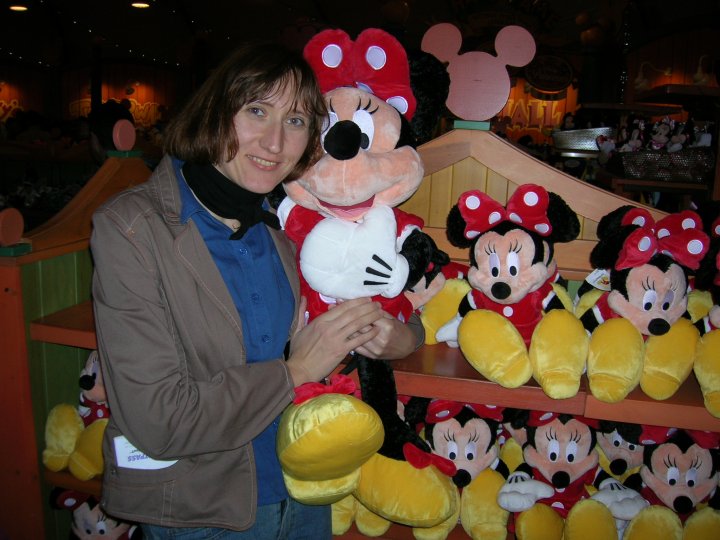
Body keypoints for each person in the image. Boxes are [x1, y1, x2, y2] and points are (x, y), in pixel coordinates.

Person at [89, 40, 423, 540]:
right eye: (257, 111)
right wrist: (297, 372)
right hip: (203, 510)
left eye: (295, 121)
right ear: (214, 113)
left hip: (303, 491)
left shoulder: (285, 224)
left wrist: (404, 338)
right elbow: (158, 419)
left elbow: (378, 301)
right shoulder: (133, 229)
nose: (274, 143)